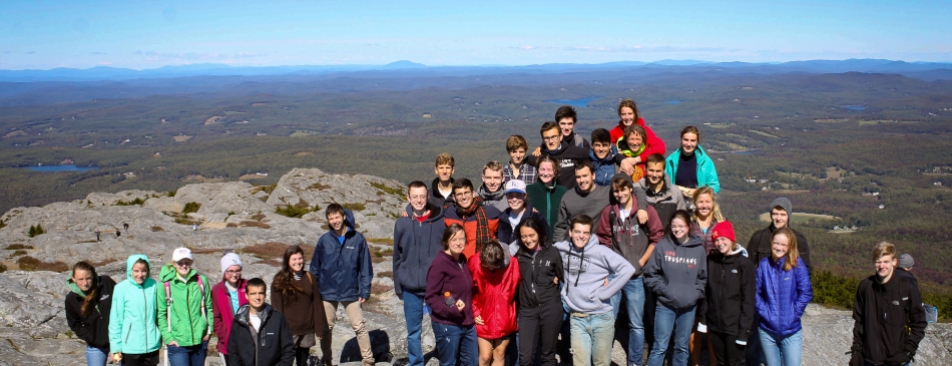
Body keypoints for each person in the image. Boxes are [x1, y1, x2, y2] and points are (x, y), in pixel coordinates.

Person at [595, 173, 664, 366]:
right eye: (616, 190)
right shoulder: (609, 212)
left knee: (636, 323)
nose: (620, 193)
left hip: (636, 276)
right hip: (615, 275)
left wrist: (641, 262)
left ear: (630, 189)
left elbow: (657, 237)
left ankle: (634, 361)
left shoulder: (645, 211)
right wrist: (609, 265)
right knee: (609, 319)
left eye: (623, 189)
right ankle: (604, 359)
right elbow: (603, 239)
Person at [555, 215, 635, 366]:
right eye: (578, 232)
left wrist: (605, 293)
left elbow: (627, 269)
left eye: (586, 233)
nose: (581, 236)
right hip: (577, 317)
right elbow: (543, 251)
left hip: (601, 317)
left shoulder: (600, 252)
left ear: (590, 234)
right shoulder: (562, 249)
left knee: (601, 363)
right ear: (570, 232)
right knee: (580, 363)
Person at [311, 204, 375, 366]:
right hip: (327, 291)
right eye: (331, 218)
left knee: (359, 326)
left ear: (344, 217)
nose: (334, 221)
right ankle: (327, 360)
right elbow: (314, 268)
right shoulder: (324, 241)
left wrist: (365, 290)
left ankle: (368, 360)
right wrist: (314, 291)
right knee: (326, 328)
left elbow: (365, 267)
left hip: (351, 290)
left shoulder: (357, 239)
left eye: (337, 217)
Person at [644, 210, 708, 366]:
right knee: (659, 347)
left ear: (688, 227)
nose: (677, 229)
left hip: (688, 307)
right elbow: (650, 274)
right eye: (674, 226)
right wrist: (664, 290)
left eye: (681, 226)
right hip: (665, 305)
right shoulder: (663, 246)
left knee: (681, 348)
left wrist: (694, 294)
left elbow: (702, 278)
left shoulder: (698, 250)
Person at [393, 181, 447, 366]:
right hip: (410, 286)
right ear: (408, 197)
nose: (418, 200)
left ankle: (444, 359)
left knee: (440, 326)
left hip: (435, 286)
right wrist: (398, 285)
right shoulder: (401, 223)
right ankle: (416, 363)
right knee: (413, 330)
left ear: (427, 197)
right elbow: (397, 256)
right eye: (414, 196)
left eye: (422, 196)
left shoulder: (440, 222)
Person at [849, 242, 926, 366]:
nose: (882, 266)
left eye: (886, 261)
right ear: (874, 261)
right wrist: (856, 352)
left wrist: (907, 353)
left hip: (896, 360)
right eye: (879, 261)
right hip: (868, 359)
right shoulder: (866, 287)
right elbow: (859, 321)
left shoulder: (906, 288)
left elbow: (919, 322)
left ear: (894, 262)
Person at [697, 221, 756, 366]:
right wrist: (704, 320)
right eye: (716, 240)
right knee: (721, 362)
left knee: (735, 362)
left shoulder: (744, 264)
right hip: (715, 325)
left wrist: (744, 331)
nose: (719, 243)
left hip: (734, 327)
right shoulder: (712, 261)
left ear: (731, 239)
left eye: (723, 238)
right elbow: (707, 294)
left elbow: (748, 301)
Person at [755, 228, 812, 366]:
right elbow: (754, 293)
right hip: (767, 331)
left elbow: (805, 292)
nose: (779, 247)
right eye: (776, 243)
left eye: (783, 245)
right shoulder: (764, 265)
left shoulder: (797, 265)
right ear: (771, 243)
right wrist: (765, 312)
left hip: (791, 331)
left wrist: (794, 314)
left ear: (790, 246)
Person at [426, 224, 478, 366]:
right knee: (449, 363)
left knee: (472, 362)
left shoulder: (463, 259)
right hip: (447, 324)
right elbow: (431, 296)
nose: (458, 242)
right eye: (454, 239)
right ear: (446, 241)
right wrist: (451, 309)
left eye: (462, 239)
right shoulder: (439, 263)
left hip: (467, 322)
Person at [513, 217, 563, 366]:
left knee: (548, 356)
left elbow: (562, 276)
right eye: (524, 236)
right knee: (525, 358)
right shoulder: (518, 256)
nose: (528, 240)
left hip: (550, 307)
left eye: (531, 235)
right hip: (527, 310)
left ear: (539, 233)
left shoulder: (552, 252)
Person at [554, 162, 647, 242]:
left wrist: (642, 208)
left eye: (585, 176)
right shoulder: (568, 197)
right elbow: (560, 227)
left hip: (598, 244)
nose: (582, 180)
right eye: (578, 177)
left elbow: (636, 190)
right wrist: (559, 247)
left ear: (593, 175)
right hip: (573, 244)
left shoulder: (607, 193)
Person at [157, 247, 214, 366]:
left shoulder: (201, 281)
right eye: (180, 262)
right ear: (174, 264)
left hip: (200, 341)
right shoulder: (165, 285)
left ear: (191, 262)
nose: (184, 266)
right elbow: (161, 314)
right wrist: (168, 338)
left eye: (187, 262)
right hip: (178, 344)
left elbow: (209, 307)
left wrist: (209, 331)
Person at [272, 245, 328, 366]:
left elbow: (317, 304)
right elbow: (277, 309)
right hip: (289, 331)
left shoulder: (310, 277)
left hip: (307, 329)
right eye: (294, 259)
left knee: (302, 362)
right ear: (288, 261)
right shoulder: (279, 279)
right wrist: (280, 330)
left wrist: (319, 329)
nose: (298, 262)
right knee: (286, 362)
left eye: (300, 258)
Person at [470, 240, 521, 366]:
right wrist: (474, 311)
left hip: (505, 317)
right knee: (485, 355)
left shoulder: (513, 264)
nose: (491, 269)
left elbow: (519, 286)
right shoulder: (474, 262)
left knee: (499, 353)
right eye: (487, 266)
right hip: (483, 316)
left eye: (494, 266)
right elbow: (466, 290)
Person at [227, 278, 296, 366]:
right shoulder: (238, 321)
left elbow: (288, 349)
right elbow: (233, 352)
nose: (257, 297)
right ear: (246, 296)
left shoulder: (277, 318)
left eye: (260, 293)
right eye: (253, 294)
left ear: (265, 295)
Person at [109, 254, 162, 366]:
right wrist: (115, 347)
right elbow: (116, 320)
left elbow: (160, 314)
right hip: (130, 348)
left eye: (143, 271)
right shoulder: (121, 288)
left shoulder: (154, 286)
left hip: (152, 346)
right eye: (136, 271)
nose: (140, 275)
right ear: (130, 270)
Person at [66, 261, 117, 366]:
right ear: (73, 279)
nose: (85, 283)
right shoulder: (71, 299)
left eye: (88, 278)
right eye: (80, 279)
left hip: (119, 340)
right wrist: (91, 337)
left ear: (93, 276)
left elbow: (122, 302)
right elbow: (74, 324)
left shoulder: (106, 283)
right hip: (96, 345)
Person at [747, 198, 812, 272]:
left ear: (788, 216)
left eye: (783, 214)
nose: (778, 218)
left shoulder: (798, 240)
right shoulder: (759, 237)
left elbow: (806, 270)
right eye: (775, 214)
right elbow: (747, 266)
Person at [443, 178, 501, 259]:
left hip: (483, 264)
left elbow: (504, 237)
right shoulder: (449, 214)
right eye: (459, 194)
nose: (463, 197)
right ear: (453, 197)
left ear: (473, 193)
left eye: (466, 193)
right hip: (457, 264)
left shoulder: (490, 213)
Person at [526, 121, 590, 190]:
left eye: (554, 137)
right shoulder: (536, 158)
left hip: (571, 198)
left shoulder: (576, 153)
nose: (551, 141)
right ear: (543, 139)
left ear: (561, 136)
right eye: (547, 138)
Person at [610, 99, 666, 176]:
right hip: (624, 175)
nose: (627, 117)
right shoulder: (616, 132)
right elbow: (604, 146)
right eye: (623, 114)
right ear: (620, 115)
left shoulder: (645, 130)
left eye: (630, 114)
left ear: (635, 114)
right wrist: (616, 152)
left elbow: (660, 147)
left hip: (645, 175)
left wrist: (637, 159)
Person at [212, 252, 248, 365]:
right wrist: (226, 337)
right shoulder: (217, 290)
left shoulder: (247, 285)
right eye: (231, 271)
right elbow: (216, 317)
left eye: (237, 271)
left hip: (248, 341)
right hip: (228, 343)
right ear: (224, 272)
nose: (235, 274)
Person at [665, 126, 721, 198]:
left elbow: (715, 187)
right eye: (686, 140)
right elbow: (664, 184)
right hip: (676, 205)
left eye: (692, 141)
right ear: (681, 140)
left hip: (699, 205)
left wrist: (698, 192)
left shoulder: (706, 162)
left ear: (697, 142)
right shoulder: (670, 161)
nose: (688, 144)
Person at [636, 154, 688, 228]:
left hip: (668, 237)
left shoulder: (674, 192)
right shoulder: (637, 189)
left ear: (664, 170)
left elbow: (682, 217)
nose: (654, 175)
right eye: (651, 170)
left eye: (658, 171)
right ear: (645, 169)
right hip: (643, 237)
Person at [525, 155, 568, 239]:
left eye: (549, 170)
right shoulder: (529, 190)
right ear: (538, 170)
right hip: (535, 241)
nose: (545, 173)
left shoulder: (563, 192)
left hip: (557, 240)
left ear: (555, 171)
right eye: (542, 169)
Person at [496, 179, 548, 246]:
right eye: (510, 195)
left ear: (525, 196)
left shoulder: (537, 218)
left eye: (518, 195)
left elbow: (546, 243)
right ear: (506, 197)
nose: (514, 199)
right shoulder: (502, 218)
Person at [691, 187, 724, 255]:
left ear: (713, 203)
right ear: (695, 203)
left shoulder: (721, 224)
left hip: (716, 264)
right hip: (695, 264)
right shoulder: (690, 224)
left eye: (707, 202)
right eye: (701, 202)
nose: (704, 206)